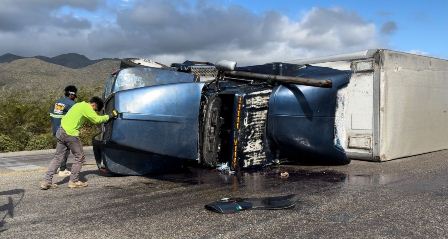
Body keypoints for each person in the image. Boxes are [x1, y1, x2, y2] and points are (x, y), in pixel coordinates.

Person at [41, 97, 117, 190]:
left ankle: (46, 181)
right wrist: (110, 115)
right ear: (94, 105)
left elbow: (90, 119)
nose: (94, 111)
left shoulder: (79, 105)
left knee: (58, 158)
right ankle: (74, 181)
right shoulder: (87, 108)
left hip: (61, 131)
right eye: (95, 110)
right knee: (80, 157)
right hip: (70, 134)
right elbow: (96, 119)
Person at [49, 85, 77, 177]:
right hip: (63, 130)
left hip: (55, 128)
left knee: (59, 150)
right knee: (65, 150)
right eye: (74, 95)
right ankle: (62, 169)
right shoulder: (71, 104)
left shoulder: (57, 102)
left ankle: (57, 167)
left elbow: (52, 115)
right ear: (72, 94)